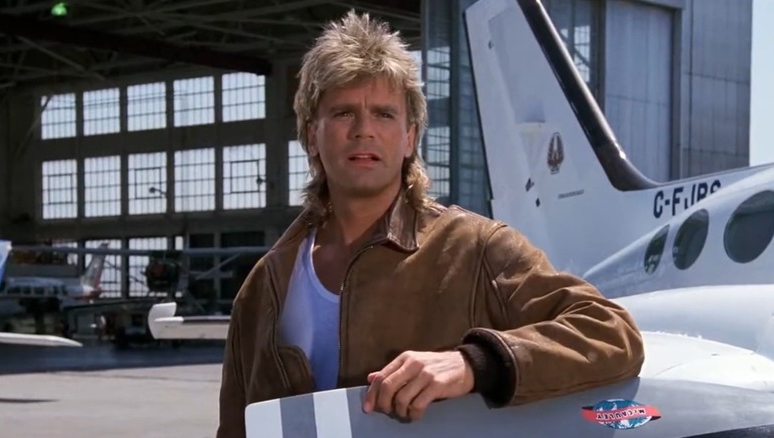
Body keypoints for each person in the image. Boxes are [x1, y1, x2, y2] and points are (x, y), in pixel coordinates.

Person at [216, 10, 644, 437]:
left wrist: (473, 363)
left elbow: (612, 332)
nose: (364, 131)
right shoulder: (265, 286)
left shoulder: (476, 249)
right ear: (312, 135)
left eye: (384, 114)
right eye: (344, 113)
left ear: (410, 137)